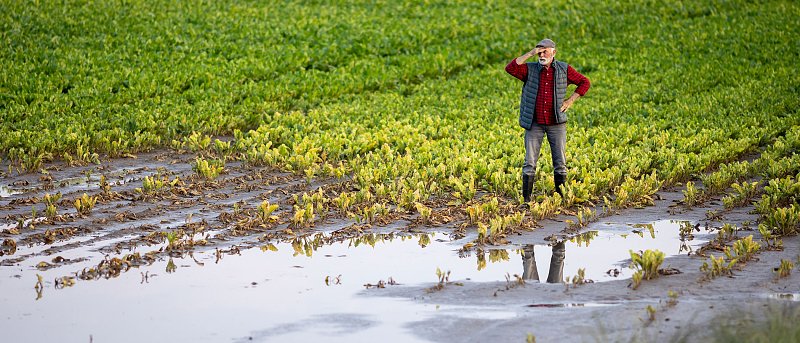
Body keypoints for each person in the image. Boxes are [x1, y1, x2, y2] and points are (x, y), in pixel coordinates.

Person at [505, 38, 591, 206]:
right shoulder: (529, 69)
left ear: (554, 52)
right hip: (534, 123)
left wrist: (570, 101)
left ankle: (560, 199)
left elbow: (584, 82)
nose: (542, 54)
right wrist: (530, 53)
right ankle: (526, 201)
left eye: (545, 51)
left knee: (560, 163)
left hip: (556, 123)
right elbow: (511, 68)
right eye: (540, 51)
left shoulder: (563, 69)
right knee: (529, 163)